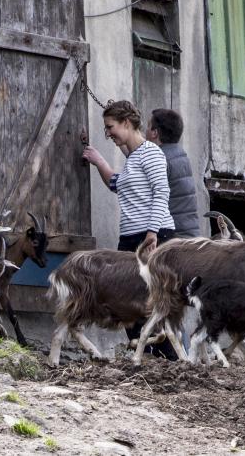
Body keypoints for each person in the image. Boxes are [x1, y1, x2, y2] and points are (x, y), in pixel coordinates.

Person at [82, 99, 177, 359]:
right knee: (125, 300)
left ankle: (167, 359)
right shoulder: (133, 158)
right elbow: (116, 184)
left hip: (151, 236)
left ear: (126, 123)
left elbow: (161, 192)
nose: (108, 133)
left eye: (110, 127)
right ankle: (146, 354)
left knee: (149, 301)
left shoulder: (151, 153)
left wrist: (152, 233)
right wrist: (98, 161)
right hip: (131, 238)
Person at [146, 108, 199, 238]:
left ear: (154, 133)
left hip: (172, 238)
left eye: (147, 126)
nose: (144, 131)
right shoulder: (181, 156)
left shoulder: (159, 159)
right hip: (189, 236)